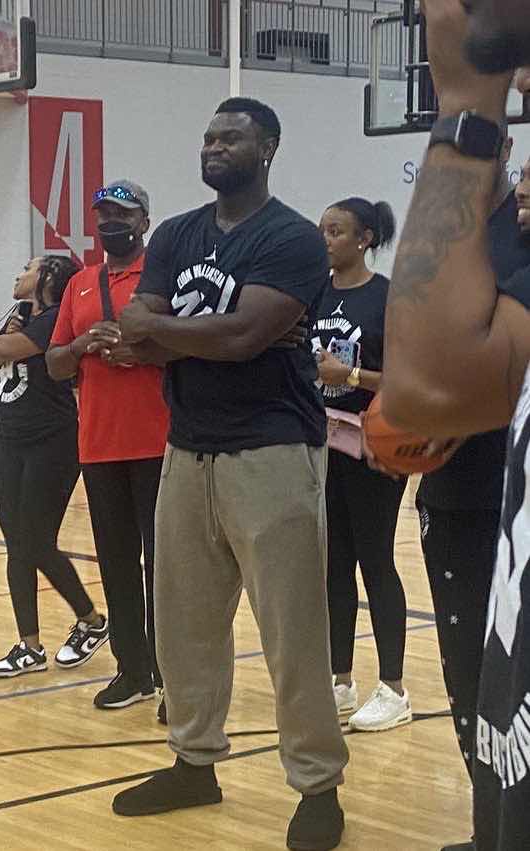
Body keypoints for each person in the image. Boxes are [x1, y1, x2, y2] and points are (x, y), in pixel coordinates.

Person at [112, 98, 349, 851]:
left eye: (232, 138)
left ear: (267, 148)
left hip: (271, 450)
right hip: (187, 449)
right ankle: (193, 764)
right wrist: (196, 335)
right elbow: (138, 339)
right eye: (209, 137)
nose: (215, 147)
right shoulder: (176, 233)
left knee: (291, 631)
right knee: (184, 626)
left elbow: (243, 335)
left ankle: (317, 785)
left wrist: (170, 332)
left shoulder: (291, 237)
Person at [379, 2, 530, 848]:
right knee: (480, 695)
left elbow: (431, 382)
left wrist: (468, 104)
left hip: (488, 496)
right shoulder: (502, 235)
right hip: (471, 507)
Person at [413, 139, 530, 851]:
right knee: (469, 671)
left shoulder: (519, 237)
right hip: (451, 490)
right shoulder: (446, 244)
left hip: (509, 493)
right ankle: (490, 820)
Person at [46, 181, 169, 714]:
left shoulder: (163, 277)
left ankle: (171, 674)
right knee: (117, 565)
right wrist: (81, 345)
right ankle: (133, 670)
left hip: (159, 445)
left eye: (122, 214)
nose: (110, 223)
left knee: (164, 568)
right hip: (98, 446)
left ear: (144, 222)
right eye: (103, 215)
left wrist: (143, 353)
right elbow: (54, 364)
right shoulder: (79, 283)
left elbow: (192, 348)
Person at [0, 255, 108, 678]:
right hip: (9, 440)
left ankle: (92, 621)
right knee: (18, 544)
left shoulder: (53, 321)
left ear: (47, 277)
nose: (19, 274)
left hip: (53, 443)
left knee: (36, 541)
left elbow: (6, 350)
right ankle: (29, 646)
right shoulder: (17, 318)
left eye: (28, 268)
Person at [313, 198, 410, 732]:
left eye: (336, 231)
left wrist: (349, 376)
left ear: (364, 238)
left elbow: (409, 376)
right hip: (321, 446)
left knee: (376, 560)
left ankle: (394, 688)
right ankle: (340, 680)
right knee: (334, 566)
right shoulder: (315, 293)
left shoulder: (388, 297)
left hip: (375, 446)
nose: (326, 239)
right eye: (323, 230)